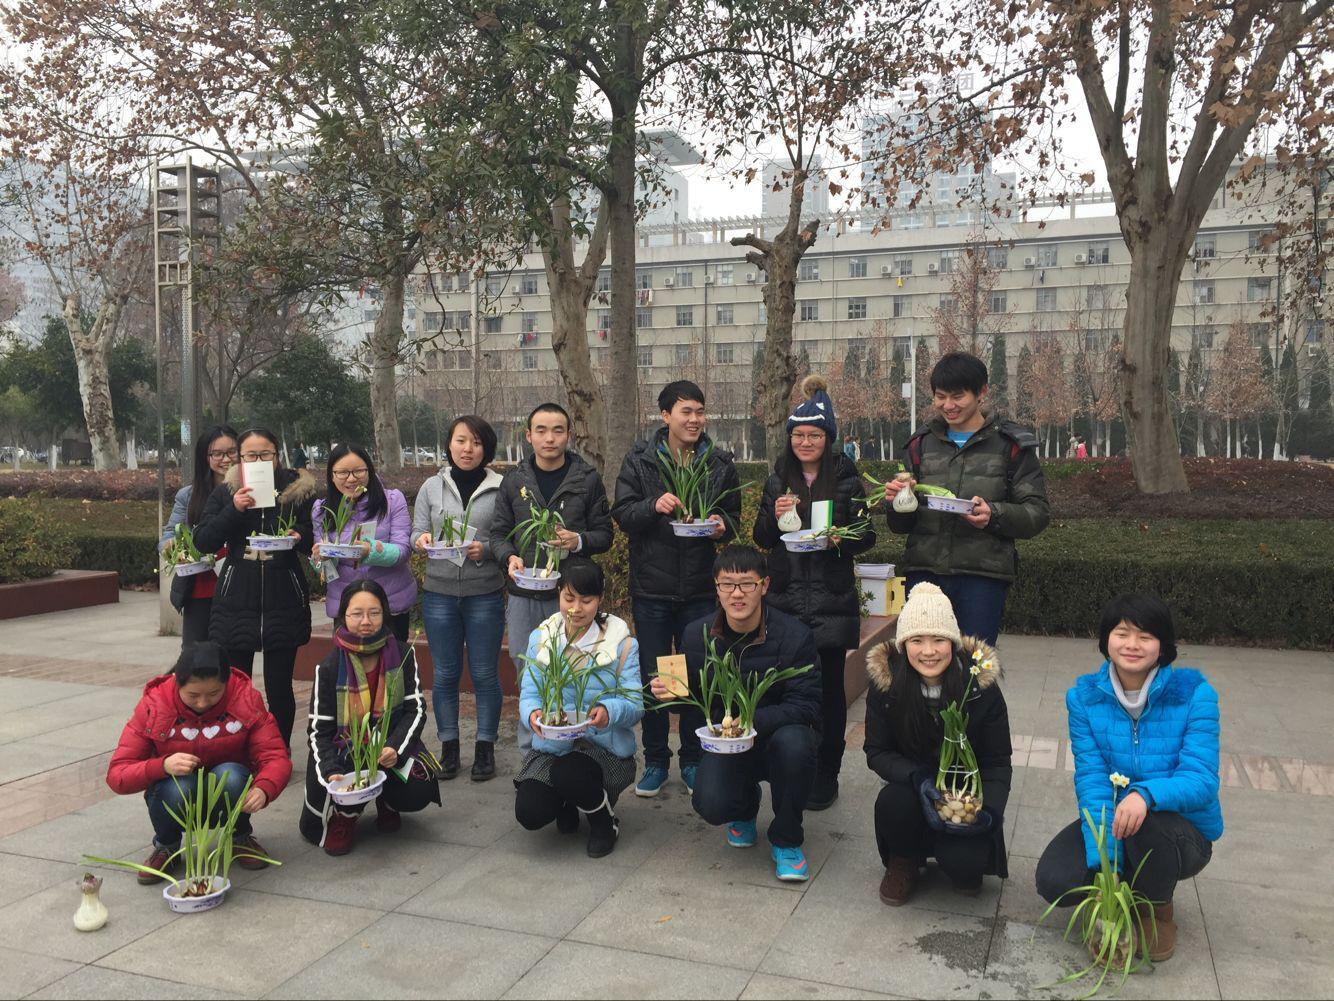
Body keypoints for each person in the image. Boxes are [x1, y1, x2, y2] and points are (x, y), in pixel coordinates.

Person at [1036, 594, 1221, 963]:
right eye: (1122, 633)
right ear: (1106, 639)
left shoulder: (1194, 695)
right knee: (1055, 880)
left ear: (1163, 646)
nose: (1132, 644)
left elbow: (1201, 780)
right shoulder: (1084, 699)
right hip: (1119, 818)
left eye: (1145, 636)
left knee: (1148, 825)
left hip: (1180, 833)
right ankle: (1123, 889)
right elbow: (1092, 780)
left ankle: (1157, 907)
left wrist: (1144, 795)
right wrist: (1108, 869)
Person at [654, 545, 821, 883]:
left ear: (765, 585)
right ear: (716, 588)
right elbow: (693, 701)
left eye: (747, 583)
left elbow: (807, 704)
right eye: (727, 584)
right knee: (711, 804)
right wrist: (669, 694)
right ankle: (744, 807)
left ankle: (787, 839)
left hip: (776, 736)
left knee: (797, 745)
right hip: (726, 742)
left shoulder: (794, 635)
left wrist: (749, 722)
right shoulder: (697, 634)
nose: (737, 593)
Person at [752, 374, 876, 811]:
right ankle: (789, 767)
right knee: (783, 689)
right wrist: (775, 515)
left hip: (830, 602)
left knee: (828, 695)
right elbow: (762, 537)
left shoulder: (846, 479)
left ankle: (827, 773)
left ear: (828, 439)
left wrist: (843, 537)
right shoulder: (778, 479)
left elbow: (867, 535)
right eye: (799, 435)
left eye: (815, 435)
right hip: (784, 600)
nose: (806, 443)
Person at [611, 380, 736, 798]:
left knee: (697, 675)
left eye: (700, 411)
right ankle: (656, 760)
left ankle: (693, 759)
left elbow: (733, 516)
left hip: (700, 590)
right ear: (665, 416)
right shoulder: (641, 460)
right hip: (653, 589)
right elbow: (623, 514)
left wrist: (721, 526)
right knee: (656, 677)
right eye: (686, 411)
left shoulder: (718, 462)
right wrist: (653, 505)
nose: (695, 419)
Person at [880, 351, 1049, 645]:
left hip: (982, 578)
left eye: (958, 396)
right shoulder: (920, 444)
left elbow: (1037, 512)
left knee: (975, 663)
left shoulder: (1009, 446)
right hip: (925, 573)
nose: (948, 406)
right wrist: (897, 502)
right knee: (922, 660)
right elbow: (900, 526)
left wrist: (993, 514)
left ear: (982, 392)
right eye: (940, 396)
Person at [864, 582, 1012, 904]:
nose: (928, 651)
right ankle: (904, 859)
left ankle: (958, 855)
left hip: (964, 796)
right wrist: (918, 778)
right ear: (903, 644)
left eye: (939, 640)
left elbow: (998, 762)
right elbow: (877, 751)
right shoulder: (886, 685)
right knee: (893, 802)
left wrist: (987, 813)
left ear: (953, 643)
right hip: (914, 788)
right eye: (917, 640)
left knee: (965, 865)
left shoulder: (979, 687)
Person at [106, 642, 291, 883]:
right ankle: (167, 846)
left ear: (226, 682)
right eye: (193, 695)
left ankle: (240, 836)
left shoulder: (244, 699)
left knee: (232, 775)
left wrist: (265, 788)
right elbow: (118, 774)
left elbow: (275, 755)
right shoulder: (155, 704)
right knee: (178, 784)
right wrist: (161, 766)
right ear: (176, 681)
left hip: (229, 792)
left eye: (214, 694)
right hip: (176, 796)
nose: (203, 703)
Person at [492, 402, 613, 749]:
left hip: (573, 596)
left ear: (569, 435)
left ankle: (576, 744)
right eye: (541, 430)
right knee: (528, 668)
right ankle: (531, 750)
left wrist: (578, 540)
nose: (550, 438)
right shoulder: (514, 480)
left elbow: (605, 534)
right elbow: (498, 534)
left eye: (558, 430)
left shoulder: (586, 479)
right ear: (528, 435)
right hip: (524, 595)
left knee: (577, 669)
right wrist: (509, 557)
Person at [193, 426, 317, 748]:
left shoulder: (298, 490)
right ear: (240, 458)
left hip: (283, 594)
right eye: (250, 456)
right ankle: (240, 750)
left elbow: (316, 533)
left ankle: (278, 750)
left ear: (277, 455)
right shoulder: (227, 491)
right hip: (237, 597)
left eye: (265, 455)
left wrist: (299, 534)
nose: (259, 461)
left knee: (279, 687)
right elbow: (203, 540)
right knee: (238, 686)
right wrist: (234, 509)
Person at [300, 580, 440, 855]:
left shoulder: (402, 654)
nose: (366, 621)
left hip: (388, 745)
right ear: (344, 615)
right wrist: (330, 770)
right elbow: (319, 731)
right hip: (346, 750)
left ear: (384, 613)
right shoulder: (329, 667)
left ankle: (386, 800)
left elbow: (415, 709)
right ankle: (346, 815)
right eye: (357, 613)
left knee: (418, 789)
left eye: (374, 613)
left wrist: (395, 748)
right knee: (345, 776)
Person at [515, 560, 643, 858]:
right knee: (530, 812)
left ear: (600, 599)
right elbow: (529, 693)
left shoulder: (621, 643)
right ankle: (567, 802)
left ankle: (604, 823)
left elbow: (636, 704)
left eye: (586, 600)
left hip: (603, 748)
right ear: (558, 593)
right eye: (569, 598)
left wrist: (608, 711)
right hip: (554, 746)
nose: (576, 608)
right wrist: (532, 714)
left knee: (571, 773)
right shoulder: (543, 638)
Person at [413, 415, 507, 782]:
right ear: (449, 444)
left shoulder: (501, 487)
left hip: (484, 593)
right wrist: (421, 541)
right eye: (461, 441)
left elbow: (509, 537)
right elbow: (417, 532)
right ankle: (449, 747)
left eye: (476, 442)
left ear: (487, 448)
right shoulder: (431, 487)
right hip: (439, 594)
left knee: (484, 673)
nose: (468, 449)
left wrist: (487, 549)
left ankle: (485, 747)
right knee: (446, 673)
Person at [311, 444, 415, 641]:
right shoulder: (322, 510)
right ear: (332, 475)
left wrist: (371, 551)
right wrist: (321, 560)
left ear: (369, 470)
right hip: (347, 608)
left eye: (358, 471)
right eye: (342, 472)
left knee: (393, 660)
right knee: (349, 661)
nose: (351, 479)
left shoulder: (392, 501)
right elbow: (326, 571)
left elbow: (403, 550)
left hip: (389, 604)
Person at [159, 424, 238, 646]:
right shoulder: (189, 495)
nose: (226, 459)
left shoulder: (252, 492)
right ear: (205, 457)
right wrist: (173, 547)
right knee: (195, 655)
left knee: (233, 655)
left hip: (240, 587)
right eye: (217, 454)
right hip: (201, 588)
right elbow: (167, 537)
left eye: (232, 452)